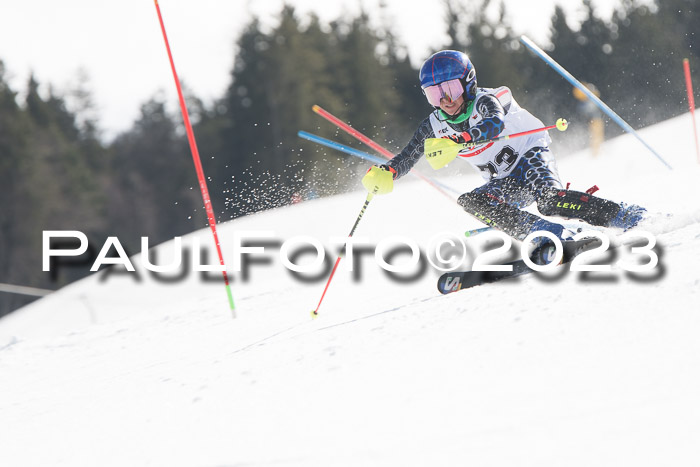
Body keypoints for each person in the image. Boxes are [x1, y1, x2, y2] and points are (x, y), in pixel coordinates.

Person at [361, 50, 646, 246]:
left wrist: (459, 140)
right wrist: (387, 172)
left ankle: (625, 215)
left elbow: (493, 125)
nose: (445, 100)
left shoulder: (485, 100)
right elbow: (410, 154)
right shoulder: (433, 125)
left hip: (530, 156)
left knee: (549, 201)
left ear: (468, 82)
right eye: (435, 94)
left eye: (451, 89)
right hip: (504, 180)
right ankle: (547, 235)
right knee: (471, 201)